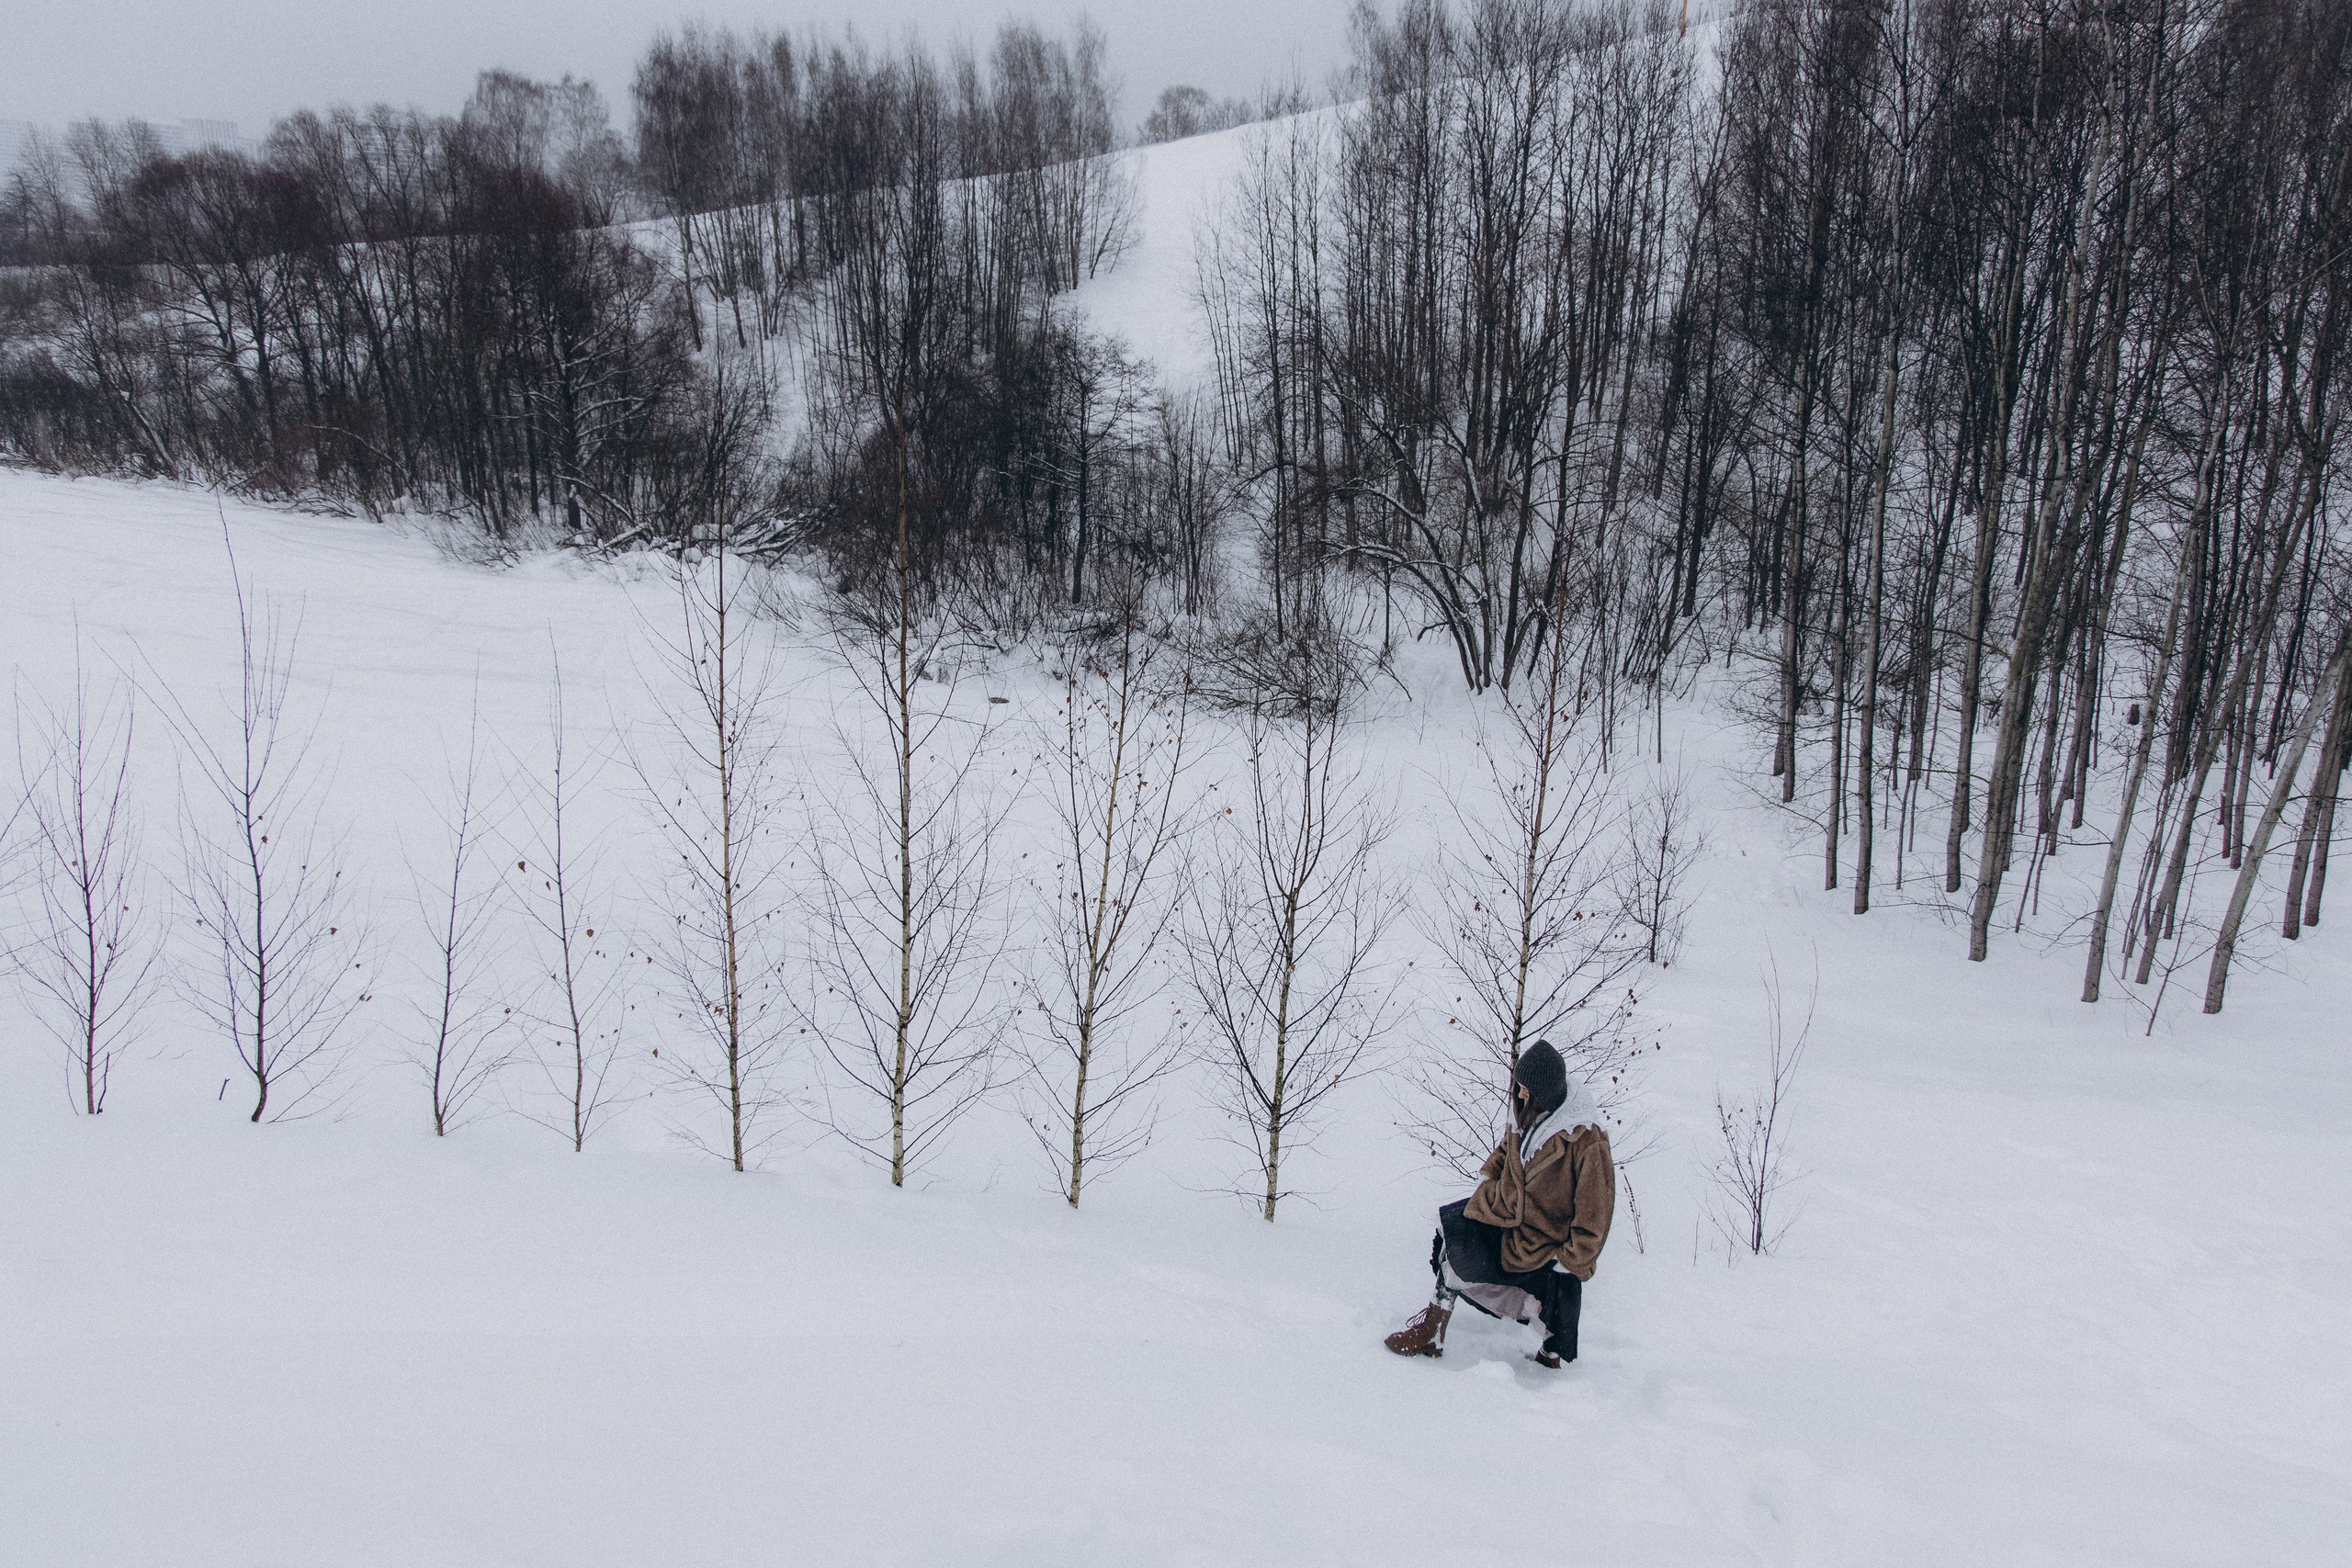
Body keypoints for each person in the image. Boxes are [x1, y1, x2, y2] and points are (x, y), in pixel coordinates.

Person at [1383, 1040, 1614, 1369]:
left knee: (1555, 1302)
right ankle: (1432, 1331)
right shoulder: (1527, 1109)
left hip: (1543, 1244)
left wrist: (1570, 1259)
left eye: (1526, 1090)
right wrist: (1488, 1182)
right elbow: (1505, 1151)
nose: (1519, 1095)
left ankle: (1549, 1359)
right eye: (1518, 1087)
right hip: (1504, 1215)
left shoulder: (1586, 1139)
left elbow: (1596, 1214)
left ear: (1545, 1093)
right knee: (1456, 1239)